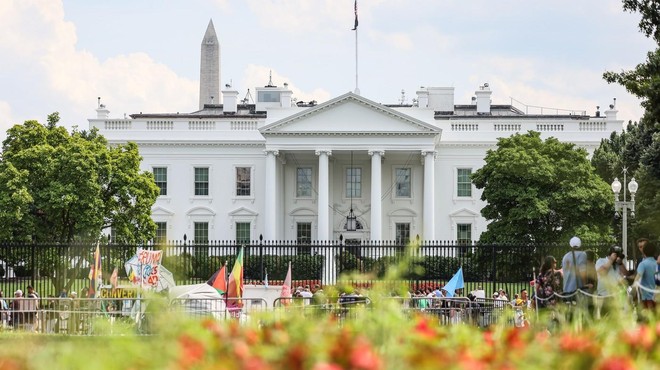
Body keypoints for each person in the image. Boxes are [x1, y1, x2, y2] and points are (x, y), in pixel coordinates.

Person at [594, 246, 626, 318]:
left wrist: (620, 263)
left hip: (617, 296)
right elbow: (602, 273)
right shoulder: (601, 261)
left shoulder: (617, 264)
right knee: (605, 319)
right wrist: (611, 260)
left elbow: (626, 274)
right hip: (604, 296)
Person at [561, 236, 587, 300]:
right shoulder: (582, 254)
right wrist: (585, 285)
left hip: (566, 290)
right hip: (577, 290)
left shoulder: (565, 256)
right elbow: (582, 271)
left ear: (570, 245)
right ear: (580, 245)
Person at [634, 239, 657, 310]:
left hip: (647, 300)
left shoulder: (643, 264)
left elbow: (637, 280)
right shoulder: (657, 263)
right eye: (640, 247)